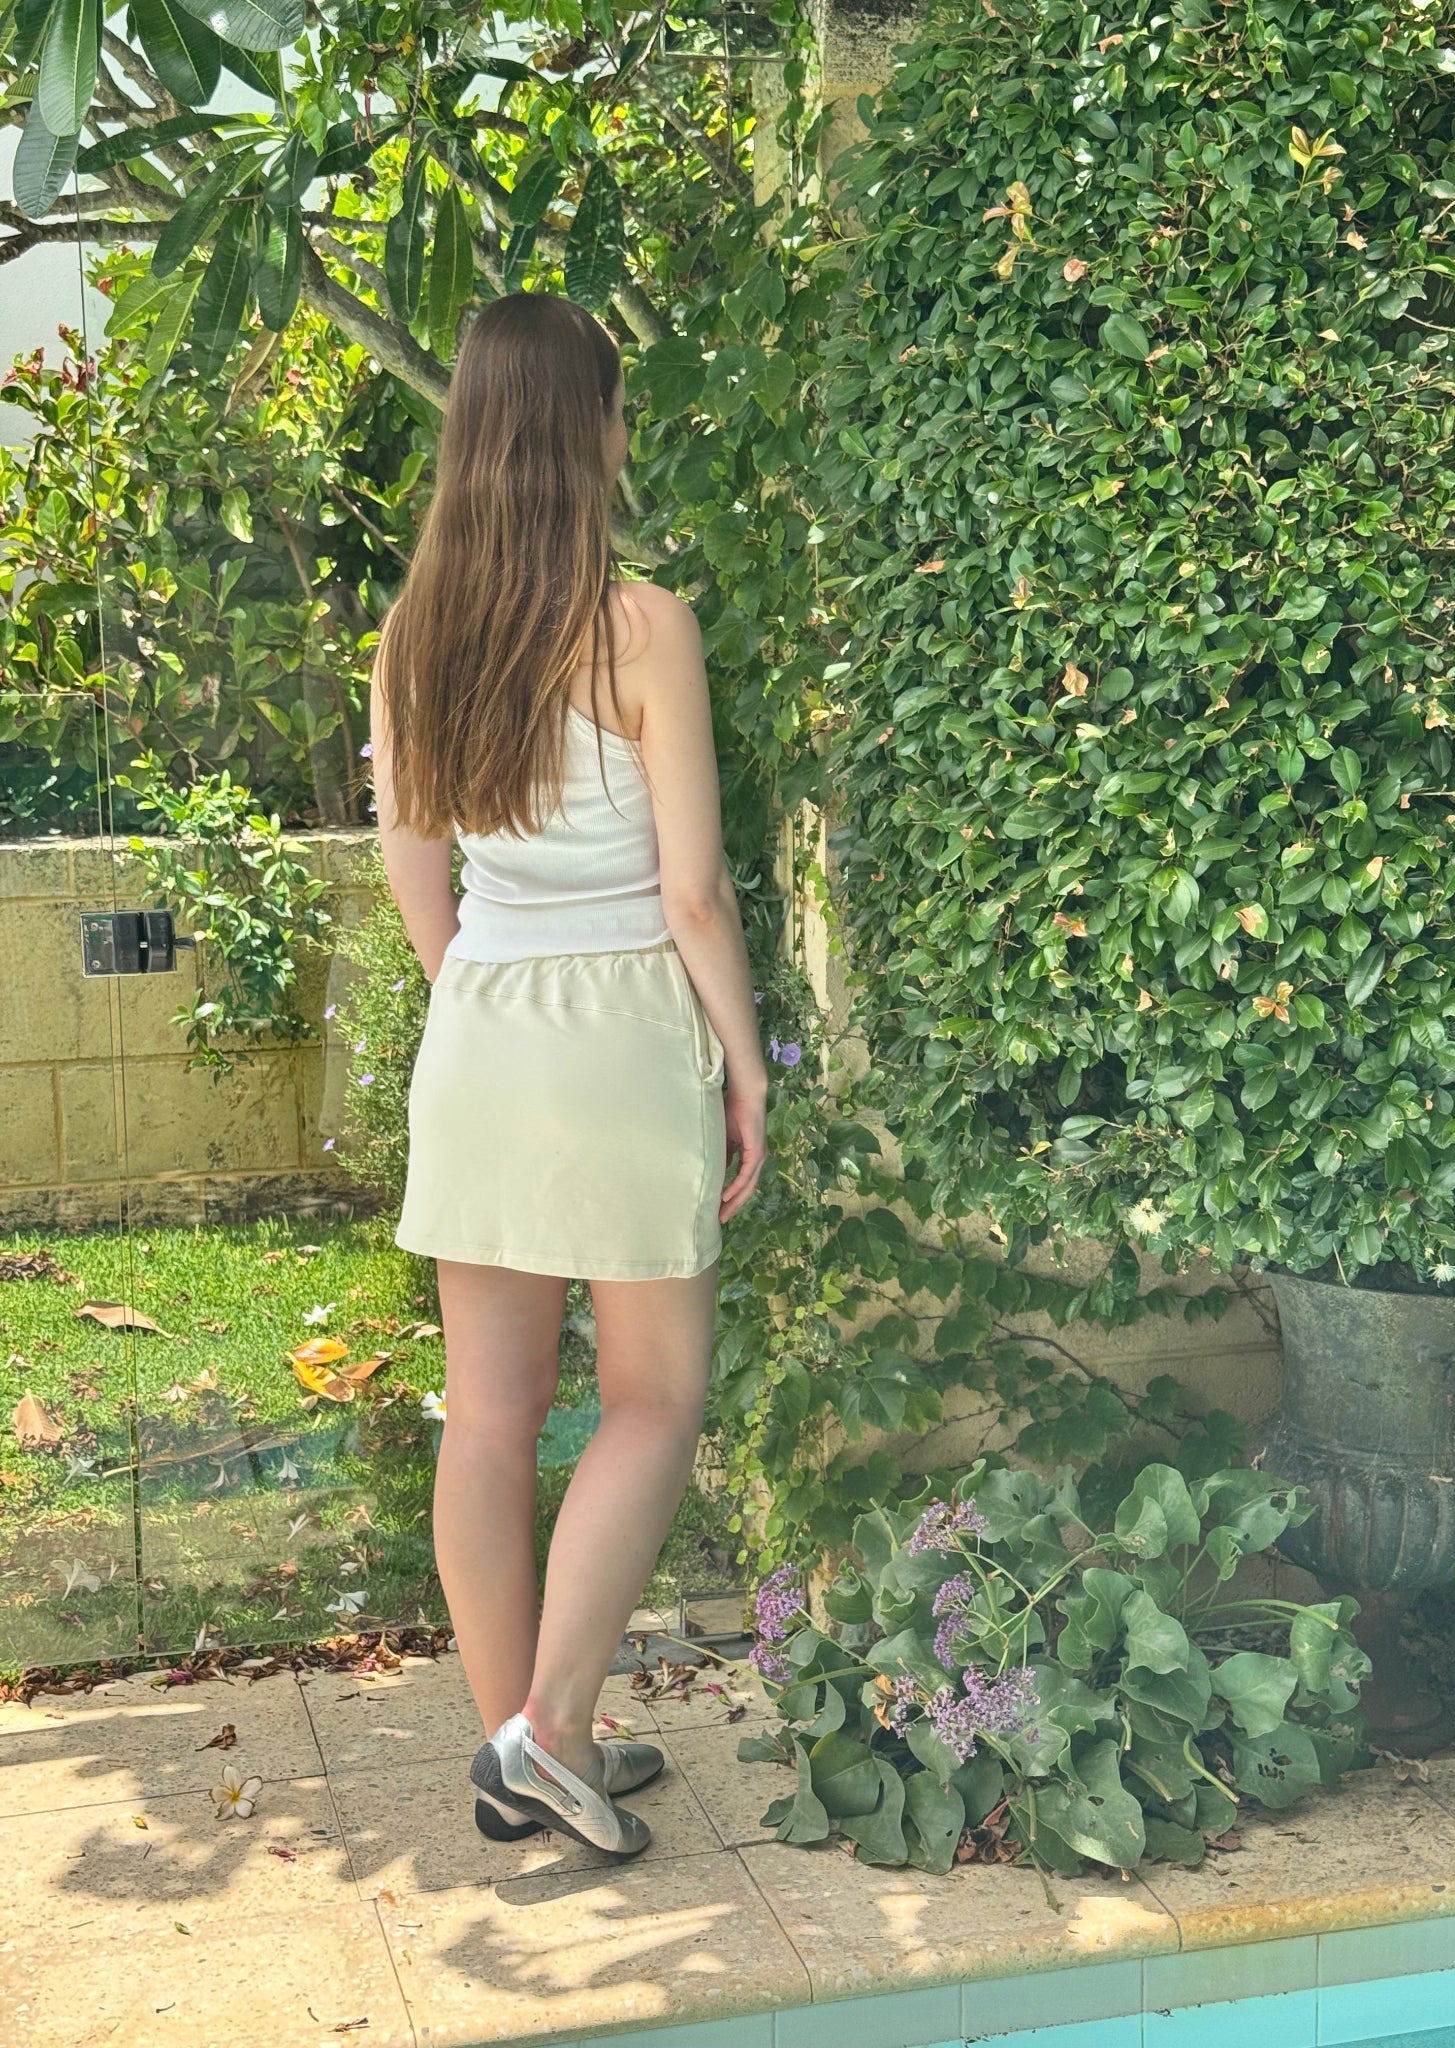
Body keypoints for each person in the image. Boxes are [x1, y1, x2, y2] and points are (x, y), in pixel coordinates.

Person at [369, 291, 768, 1861]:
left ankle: (531, 1744)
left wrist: (477, 1009)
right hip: (617, 1024)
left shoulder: (415, 634)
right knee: (656, 1398)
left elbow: (416, 873)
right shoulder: (640, 624)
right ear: (591, 430)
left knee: (487, 1416)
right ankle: (551, 1732)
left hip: (480, 1023)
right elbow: (690, 894)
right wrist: (745, 1061)